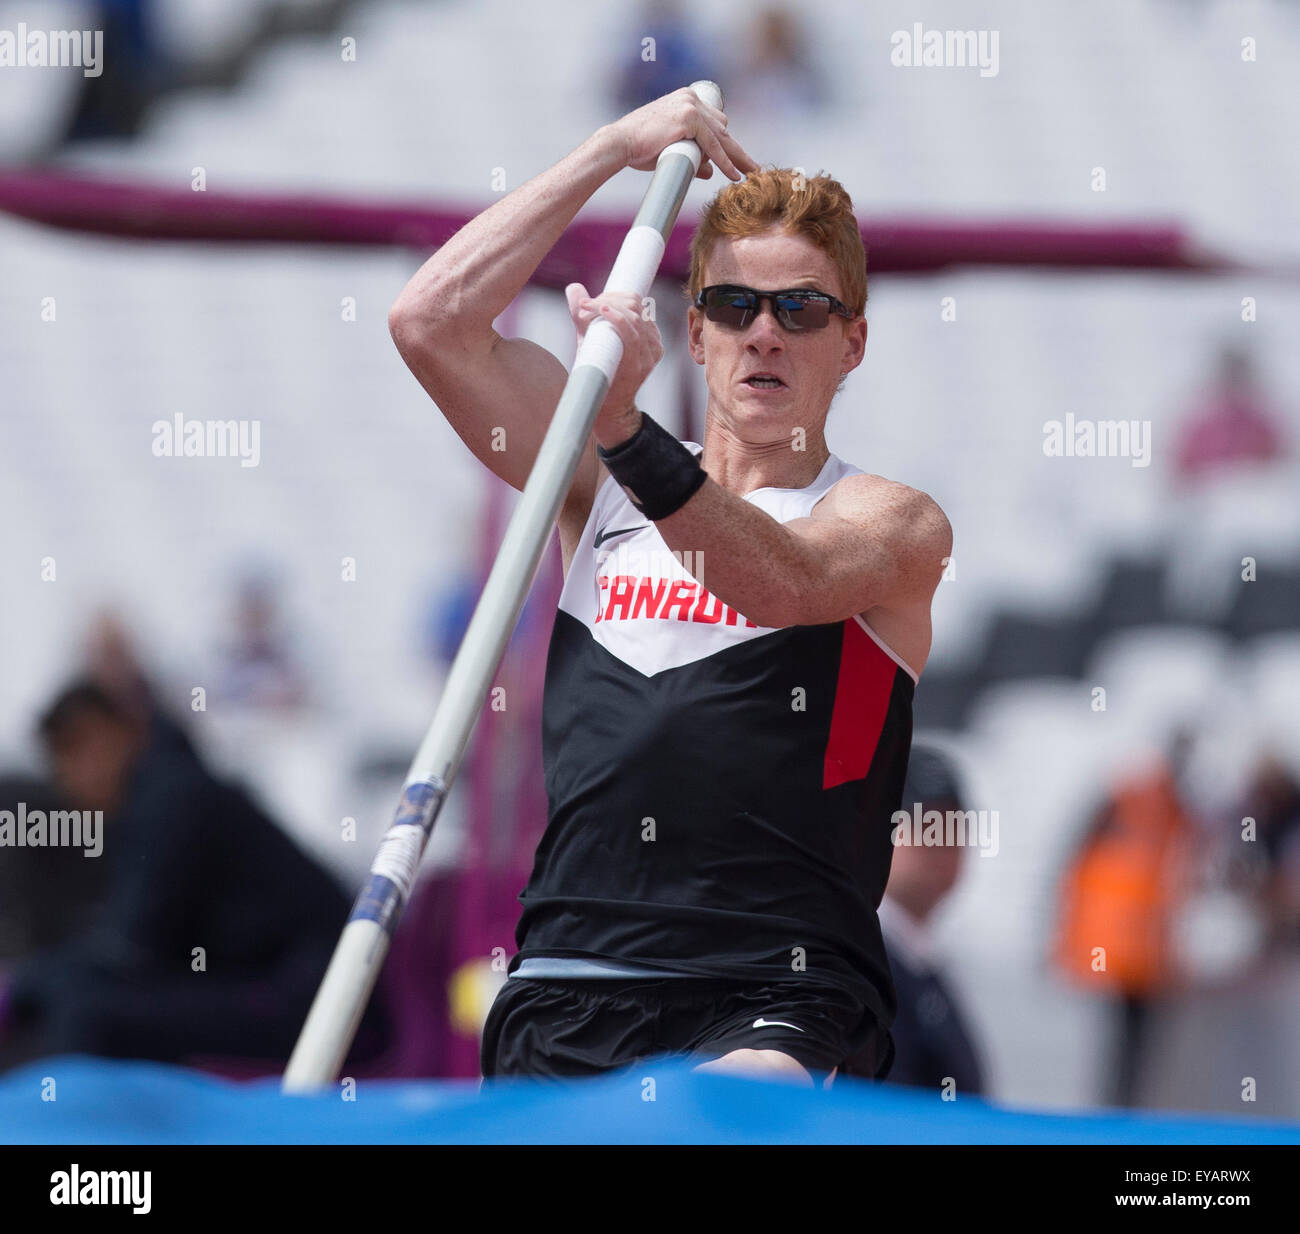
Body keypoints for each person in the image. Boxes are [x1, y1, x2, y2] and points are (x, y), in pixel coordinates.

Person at [388, 88, 951, 1086]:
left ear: (850, 342)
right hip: (566, 973)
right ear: (694, 335)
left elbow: (784, 580)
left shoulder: (891, 521)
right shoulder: (592, 482)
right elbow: (431, 322)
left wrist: (622, 429)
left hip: (774, 986)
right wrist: (610, 151)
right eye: (734, 306)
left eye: (799, 308)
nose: (763, 333)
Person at [0, 681, 389, 1071]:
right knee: (75, 1000)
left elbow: (131, 946)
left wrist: (23, 985)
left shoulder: (174, 799)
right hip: (271, 982)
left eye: (85, 747)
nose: (77, 773)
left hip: (323, 1003)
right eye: (63, 758)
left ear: (127, 732)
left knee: (86, 1016)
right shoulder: (151, 800)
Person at [840, 744, 987, 1094]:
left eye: (955, 827)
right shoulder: (859, 964)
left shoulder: (917, 960)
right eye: (926, 826)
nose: (943, 844)